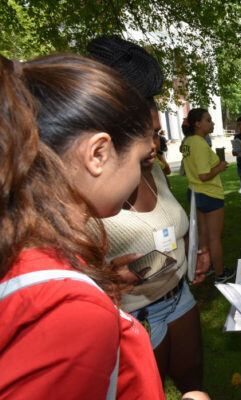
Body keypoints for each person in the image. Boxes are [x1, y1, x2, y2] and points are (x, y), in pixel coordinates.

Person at [0, 53, 165, 399]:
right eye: (138, 159)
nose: (140, 173)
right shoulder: (71, 315)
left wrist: (98, 283)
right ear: (98, 154)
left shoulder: (22, 251)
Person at [88, 35, 209, 394]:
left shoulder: (153, 168)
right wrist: (107, 281)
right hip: (133, 314)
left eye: (157, 133)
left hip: (178, 295)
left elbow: (171, 223)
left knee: (193, 380)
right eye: (147, 135)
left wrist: (190, 251)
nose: (156, 145)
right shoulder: (83, 191)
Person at [182, 108, 235, 283]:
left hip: (194, 193)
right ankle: (220, 274)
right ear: (198, 124)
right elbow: (204, 175)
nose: (212, 123)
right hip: (209, 194)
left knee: (203, 235)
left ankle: (207, 266)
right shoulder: (199, 143)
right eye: (209, 120)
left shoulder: (188, 142)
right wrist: (219, 167)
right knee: (213, 238)